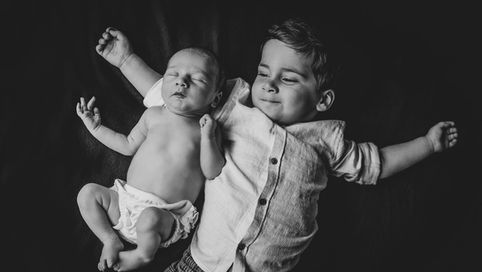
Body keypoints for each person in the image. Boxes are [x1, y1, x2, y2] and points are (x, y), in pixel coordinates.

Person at [95, 19, 458, 272]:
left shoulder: (328, 140)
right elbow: (172, 97)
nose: (268, 85)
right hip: (201, 263)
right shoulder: (235, 108)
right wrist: (126, 60)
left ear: (323, 100)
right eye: (264, 73)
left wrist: (427, 143)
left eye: (287, 79)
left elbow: (374, 163)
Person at [76, 43, 225, 272]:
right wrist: (96, 129)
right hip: (124, 202)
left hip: (164, 215)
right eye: (173, 74)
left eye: (197, 79)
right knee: (87, 194)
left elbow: (212, 171)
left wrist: (207, 138)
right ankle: (109, 239)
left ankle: (143, 255)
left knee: (150, 217)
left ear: (215, 98)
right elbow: (127, 145)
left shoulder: (207, 130)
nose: (181, 82)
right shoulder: (153, 115)